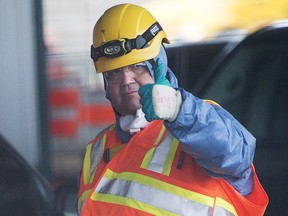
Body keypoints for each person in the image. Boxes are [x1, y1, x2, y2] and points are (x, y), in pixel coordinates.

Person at [77, 3, 268, 216]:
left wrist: (177, 109)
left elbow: (236, 154)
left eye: (137, 66)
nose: (126, 79)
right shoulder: (96, 149)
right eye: (114, 72)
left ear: (159, 63)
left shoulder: (198, 124)